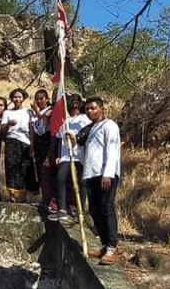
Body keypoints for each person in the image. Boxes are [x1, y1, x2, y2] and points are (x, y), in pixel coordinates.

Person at [81, 96, 121, 265]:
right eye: (87, 109)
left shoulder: (109, 126)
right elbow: (85, 156)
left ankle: (112, 246)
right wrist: (75, 144)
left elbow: (112, 149)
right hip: (91, 174)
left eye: (93, 108)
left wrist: (108, 172)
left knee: (106, 207)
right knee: (95, 210)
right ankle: (105, 244)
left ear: (102, 109)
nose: (90, 111)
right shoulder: (89, 129)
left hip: (105, 174)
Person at [49, 93, 91, 222]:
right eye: (72, 100)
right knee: (61, 178)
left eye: (77, 100)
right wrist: (58, 155)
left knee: (81, 182)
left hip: (80, 154)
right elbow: (59, 139)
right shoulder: (64, 121)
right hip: (66, 155)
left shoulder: (85, 118)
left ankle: (80, 211)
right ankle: (61, 209)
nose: (74, 103)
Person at [1, 88, 37, 203]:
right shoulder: (7, 112)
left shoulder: (29, 112)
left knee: (24, 168)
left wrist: (32, 145)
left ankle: (24, 196)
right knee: (11, 168)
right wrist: (8, 124)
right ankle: (12, 196)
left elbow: (31, 129)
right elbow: (2, 129)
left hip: (25, 142)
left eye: (19, 97)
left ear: (23, 98)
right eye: (15, 97)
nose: (17, 99)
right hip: (11, 141)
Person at [29, 89, 56, 210]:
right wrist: (32, 146)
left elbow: (44, 118)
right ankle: (44, 199)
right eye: (37, 99)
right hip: (38, 143)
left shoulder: (50, 110)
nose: (39, 101)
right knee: (40, 172)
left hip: (47, 141)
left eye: (41, 99)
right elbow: (33, 130)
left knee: (48, 171)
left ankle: (51, 200)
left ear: (47, 99)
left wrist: (36, 110)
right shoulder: (34, 114)